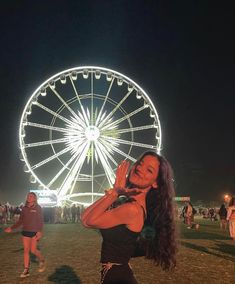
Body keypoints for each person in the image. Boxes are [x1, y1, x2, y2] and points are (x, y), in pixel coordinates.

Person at [81, 151, 177, 284]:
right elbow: (85, 216)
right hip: (118, 274)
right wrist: (114, 193)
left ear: (155, 183)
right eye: (140, 163)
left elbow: (87, 221)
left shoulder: (132, 210)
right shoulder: (135, 206)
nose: (139, 168)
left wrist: (115, 192)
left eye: (149, 170)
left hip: (118, 277)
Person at [4, 192, 45, 278]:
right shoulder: (24, 208)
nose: (29, 197)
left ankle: (42, 260)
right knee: (26, 251)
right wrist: (11, 228)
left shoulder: (38, 208)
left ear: (35, 198)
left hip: (34, 232)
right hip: (25, 232)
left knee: (33, 250)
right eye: (28, 196)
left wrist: (39, 231)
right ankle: (26, 270)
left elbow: (40, 220)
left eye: (31, 196)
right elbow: (20, 221)